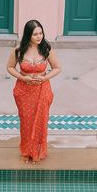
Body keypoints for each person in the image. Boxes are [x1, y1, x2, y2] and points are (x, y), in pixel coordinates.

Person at [7, 20, 61, 163]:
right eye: (35, 34)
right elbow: (10, 67)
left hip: (42, 90)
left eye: (41, 33)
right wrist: (22, 77)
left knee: (40, 122)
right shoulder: (19, 50)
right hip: (24, 91)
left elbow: (57, 68)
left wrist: (45, 78)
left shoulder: (46, 48)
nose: (39, 37)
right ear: (28, 35)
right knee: (26, 122)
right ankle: (26, 151)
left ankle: (37, 151)